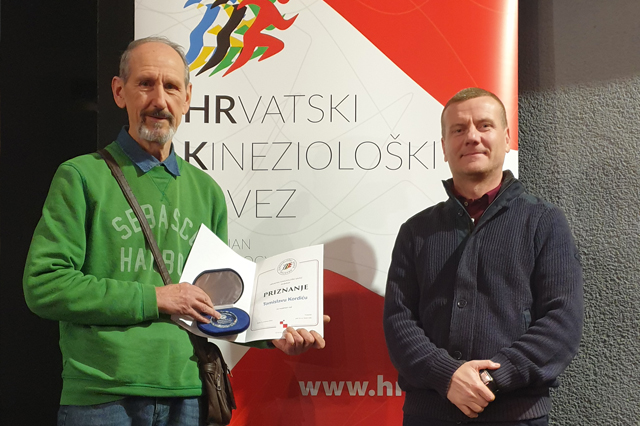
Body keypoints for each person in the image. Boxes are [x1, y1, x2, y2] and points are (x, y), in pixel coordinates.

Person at [23, 36, 327, 425]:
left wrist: (276, 333)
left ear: (187, 98)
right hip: (103, 397)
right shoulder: (81, 176)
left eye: (171, 87)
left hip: (190, 394)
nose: (159, 100)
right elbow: (45, 285)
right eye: (145, 84)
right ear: (119, 92)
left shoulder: (207, 191)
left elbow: (218, 302)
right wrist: (157, 298)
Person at [383, 87, 583, 425]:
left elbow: (561, 321)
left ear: (506, 138)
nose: (472, 137)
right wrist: (447, 376)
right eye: (458, 129)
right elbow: (398, 322)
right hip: (429, 416)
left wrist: (490, 380)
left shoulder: (544, 222)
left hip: (516, 416)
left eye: (484, 125)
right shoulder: (415, 231)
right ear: (444, 146)